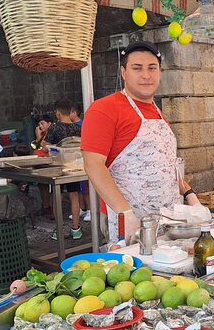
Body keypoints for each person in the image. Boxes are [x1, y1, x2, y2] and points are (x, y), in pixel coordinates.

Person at [81, 41, 200, 244]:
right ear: (123, 72)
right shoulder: (104, 109)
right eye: (137, 68)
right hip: (130, 221)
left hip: (169, 220)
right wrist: (124, 213)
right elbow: (93, 164)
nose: (146, 75)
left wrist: (190, 195)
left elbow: (167, 165)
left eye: (152, 68)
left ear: (160, 72)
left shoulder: (158, 112)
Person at [42, 100, 83, 240]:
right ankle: (76, 228)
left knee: (56, 196)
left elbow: (44, 147)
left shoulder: (54, 128)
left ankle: (58, 230)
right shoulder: (77, 128)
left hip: (57, 166)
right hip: (74, 166)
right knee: (74, 196)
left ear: (58, 113)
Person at [34, 114, 54, 216]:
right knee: (42, 185)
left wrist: (38, 136)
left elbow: (45, 148)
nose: (40, 126)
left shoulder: (51, 134)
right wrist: (38, 137)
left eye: (42, 123)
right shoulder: (42, 135)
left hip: (49, 163)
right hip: (40, 162)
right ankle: (45, 205)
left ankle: (52, 208)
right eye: (39, 124)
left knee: (51, 186)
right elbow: (35, 147)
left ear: (49, 124)